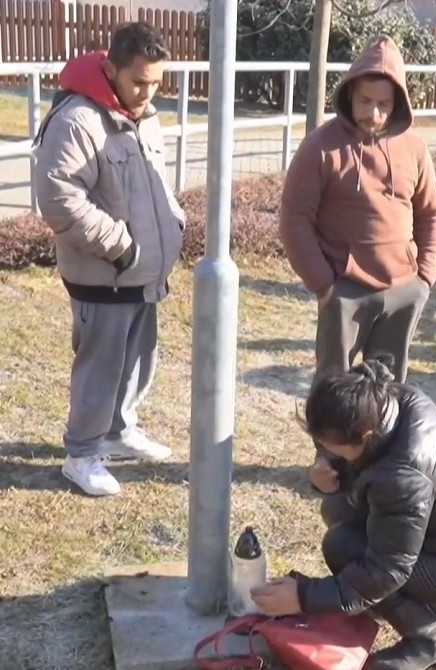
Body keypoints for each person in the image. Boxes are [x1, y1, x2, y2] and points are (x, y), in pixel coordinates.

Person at [251, 359, 436, 670]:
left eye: (334, 448)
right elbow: (372, 466)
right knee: (337, 507)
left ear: (365, 433)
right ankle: (416, 605)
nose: (326, 452)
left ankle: (432, 641)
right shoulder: (389, 402)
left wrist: (305, 597)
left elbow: (384, 571)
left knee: (343, 546)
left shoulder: (404, 475)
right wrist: (331, 471)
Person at [34, 22, 185, 497]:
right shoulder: (78, 119)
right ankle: (81, 454)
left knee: (138, 358)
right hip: (106, 272)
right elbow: (59, 197)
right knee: (101, 364)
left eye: (156, 82)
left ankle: (119, 430)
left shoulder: (146, 117)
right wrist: (122, 247)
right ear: (112, 68)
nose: (147, 92)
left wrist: (172, 226)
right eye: (138, 81)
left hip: (143, 272)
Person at [279, 36, 436, 386]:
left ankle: (382, 444)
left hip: (403, 288)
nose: (374, 113)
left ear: (398, 103)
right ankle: (330, 445)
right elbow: (294, 218)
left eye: (384, 103)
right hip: (343, 291)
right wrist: (323, 284)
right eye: (366, 101)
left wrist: (424, 277)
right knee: (333, 390)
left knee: (387, 393)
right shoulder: (320, 147)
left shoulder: (414, 147)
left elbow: (431, 212)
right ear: (350, 94)